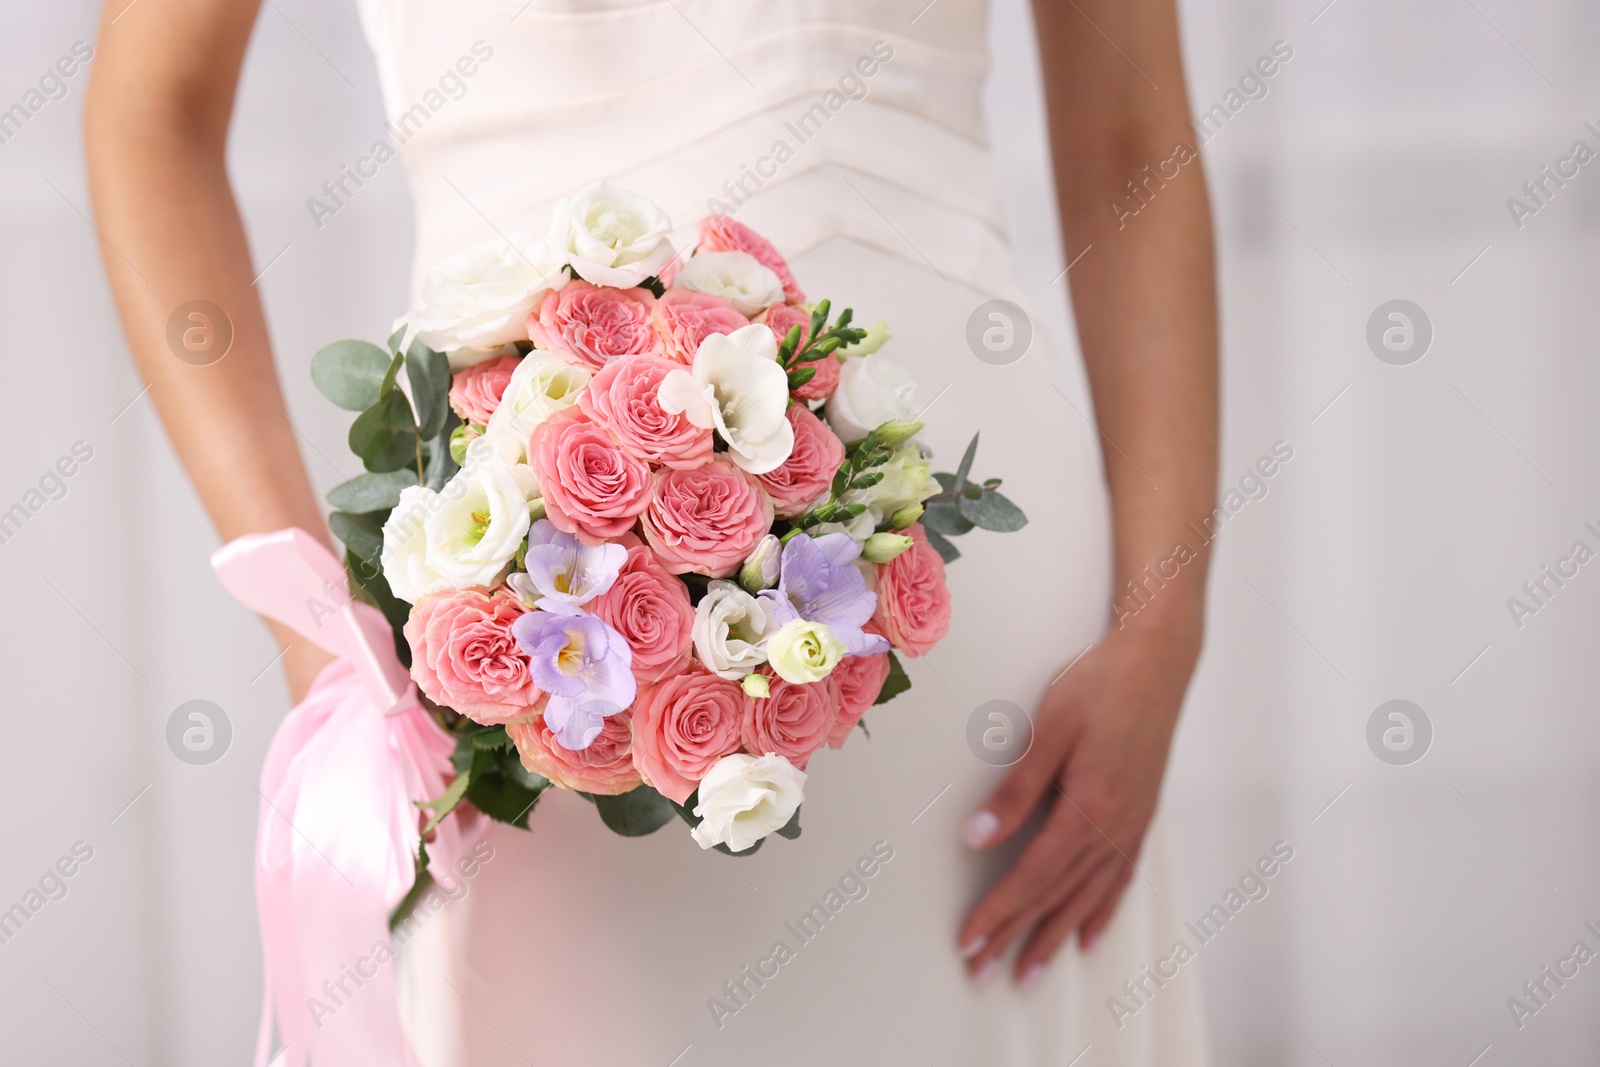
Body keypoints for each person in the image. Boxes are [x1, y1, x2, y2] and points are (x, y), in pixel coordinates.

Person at [87, 1, 1218, 1063]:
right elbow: (152, 110)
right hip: (526, 638)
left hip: (969, 617)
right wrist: (326, 639)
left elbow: (1131, 140)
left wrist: (1162, 631)